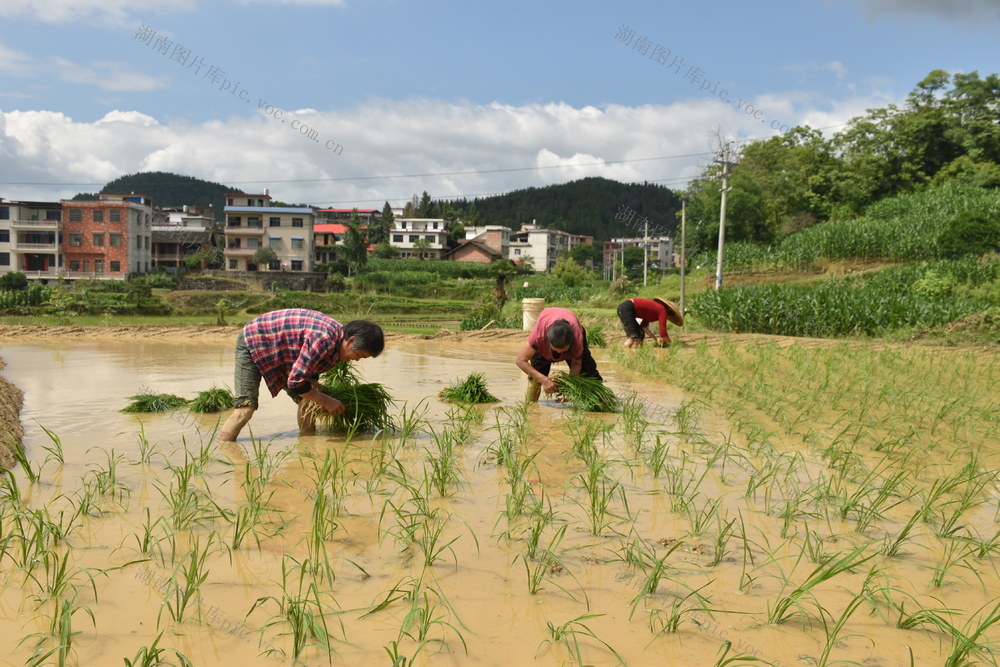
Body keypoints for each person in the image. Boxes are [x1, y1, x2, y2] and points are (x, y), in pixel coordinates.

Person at [218, 309, 384, 441]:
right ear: (351, 340)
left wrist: (317, 395)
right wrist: (326, 400)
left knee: (307, 401)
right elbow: (297, 382)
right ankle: (223, 450)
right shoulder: (323, 339)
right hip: (255, 340)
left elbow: (306, 383)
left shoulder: (336, 342)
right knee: (246, 408)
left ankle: (306, 443)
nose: (356, 360)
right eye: (360, 355)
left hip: (284, 349)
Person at [515, 307, 603, 401]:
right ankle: (530, 407)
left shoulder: (577, 339)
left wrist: (570, 387)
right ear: (547, 342)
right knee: (536, 377)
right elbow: (520, 361)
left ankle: (600, 401)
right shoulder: (539, 337)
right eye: (556, 350)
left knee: (588, 373)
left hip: (572, 334)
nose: (560, 354)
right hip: (545, 330)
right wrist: (543, 379)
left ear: (571, 343)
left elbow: (576, 364)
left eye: (564, 351)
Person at [616, 297, 683, 349]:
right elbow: (663, 333)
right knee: (632, 336)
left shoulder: (654, 311)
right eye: (671, 314)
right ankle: (625, 353)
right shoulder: (663, 310)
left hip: (625, 308)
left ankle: (635, 352)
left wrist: (655, 338)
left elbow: (644, 326)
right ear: (669, 311)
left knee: (640, 335)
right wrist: (671, 345)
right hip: (627, 308)